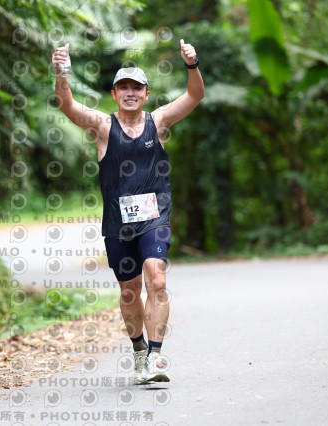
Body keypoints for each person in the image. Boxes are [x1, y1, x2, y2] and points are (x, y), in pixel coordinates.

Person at [51, 39, 204, 383]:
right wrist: (62, 71)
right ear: (114, 93)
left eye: (137, 87)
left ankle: (155, 357)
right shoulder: (103, 127)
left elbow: (194, 96)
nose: (130, 93)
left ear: (146, 94)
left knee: (157, 279)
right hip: (117, 224)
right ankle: (138, 351)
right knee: (129, 290)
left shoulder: (158, 122)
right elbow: (68, 106)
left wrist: (192, 65)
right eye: (124, 87)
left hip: (155, 217)